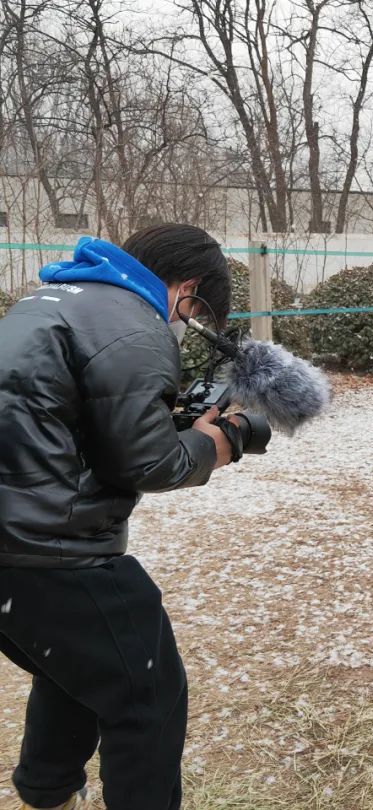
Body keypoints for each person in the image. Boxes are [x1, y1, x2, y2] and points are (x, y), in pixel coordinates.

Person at [0, 224, 236, 810]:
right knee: (147, 691)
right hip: (47, 546)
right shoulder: (135, 324)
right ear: (189, 290)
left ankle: (48, 792)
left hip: (15, 536)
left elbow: (71, 417)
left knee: (78, 664)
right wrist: (219, 442)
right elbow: (146, 462)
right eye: (196, 311)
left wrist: (173, 421)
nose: (186, 324)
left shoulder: (52, 301)